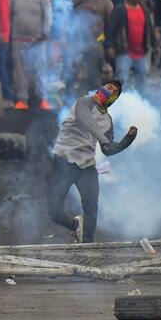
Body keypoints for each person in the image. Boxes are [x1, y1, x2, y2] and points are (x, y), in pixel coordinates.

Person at [48, 80, 137, 243]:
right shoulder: (83, 102)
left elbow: (108, 149)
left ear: (115, 99)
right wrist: (104, 140)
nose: (109, 91)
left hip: (86, 168)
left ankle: (88, 245)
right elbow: (86, 121)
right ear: (100, 88)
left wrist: (128, 139)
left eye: (114, 91)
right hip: (63, 162)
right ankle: (74, 225)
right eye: (107, 87)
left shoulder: (108, 121)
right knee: (53, 211)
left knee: (91, 209)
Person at [10, 0, 52, 111]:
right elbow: (10, 16)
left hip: (37, 41)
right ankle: (22, 99)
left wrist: (45, 33)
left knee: (40, 71)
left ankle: (43, 99)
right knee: (20, 72)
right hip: (18, 40)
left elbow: (48, 16)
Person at [106, 0, 153, 90]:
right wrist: (109, 46)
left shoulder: (144, 10)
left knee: (143, 83)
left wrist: (154, 44)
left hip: (141, 53)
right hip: (124, 53)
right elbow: (110, 30)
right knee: (121, 83)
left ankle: (141, 103)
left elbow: (149, 29)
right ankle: (120, 104)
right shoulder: (119, 11)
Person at [74, 0, 114, 90]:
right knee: (76, 76)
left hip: (97, 44)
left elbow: (111, 26)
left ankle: (94, 101)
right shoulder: (76, 1)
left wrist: (109, 45)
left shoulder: (105, 3)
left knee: (95, 75)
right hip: (78, 44)